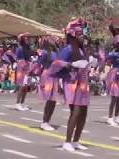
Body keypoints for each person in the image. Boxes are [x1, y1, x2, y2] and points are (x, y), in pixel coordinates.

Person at [49, 18, 90, 151]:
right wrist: (71, 64)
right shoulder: (68, 49)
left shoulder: (82, 50)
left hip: (83, 83)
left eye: (82, 34)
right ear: (73, 35)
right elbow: (56, 64)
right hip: (72, 83)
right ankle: (67, 141)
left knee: (84, 112)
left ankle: (76, 141)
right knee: (76, 111)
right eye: (79, 34)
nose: (82, 36)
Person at [37, 36, 59, 131]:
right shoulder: (46, 52)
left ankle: (47, 121)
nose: (55, 41)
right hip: (48, 76)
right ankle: (44, 122)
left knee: (53, 100)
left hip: (55, 76)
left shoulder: (56, 52)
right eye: (54, 40)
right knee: (50, 100)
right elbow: (38, 63)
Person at [15, 32, 33, 111]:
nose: (27, 39)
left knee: (26, 86)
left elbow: (30, 56)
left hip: (28, 65)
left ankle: (22, 103)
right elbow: (18, 58)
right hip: (22, 65)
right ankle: (18, 103)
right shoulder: (20, 48)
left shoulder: (28, 48)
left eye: (27, 38)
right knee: (21, 85)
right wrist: (23, 34)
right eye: (25, 38)